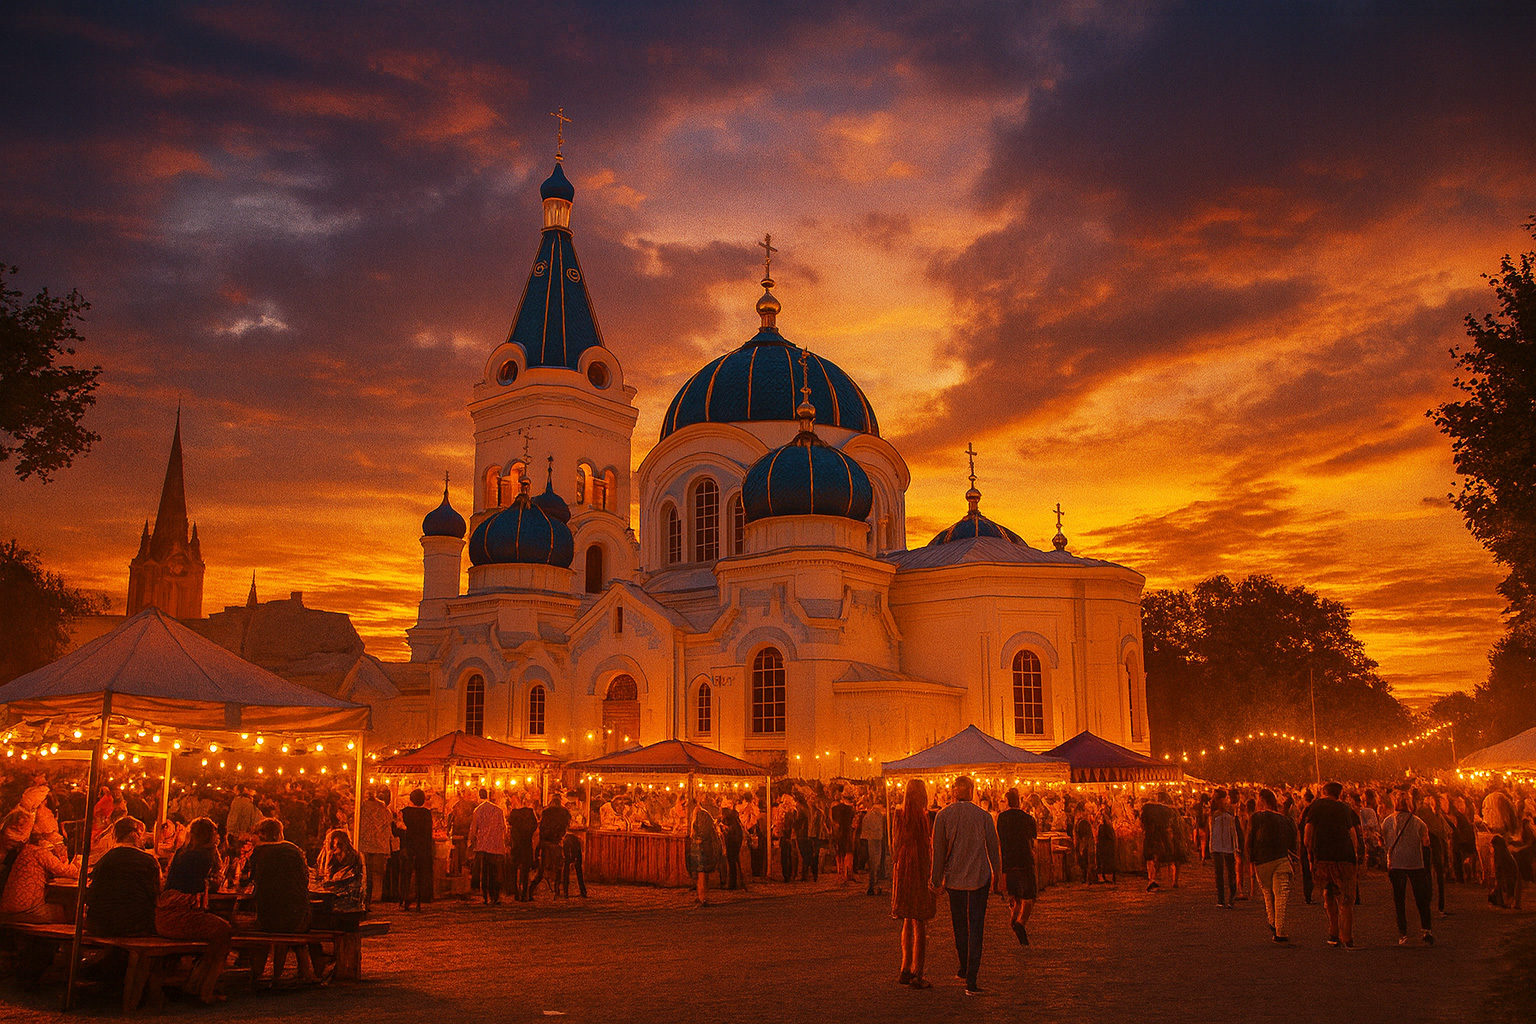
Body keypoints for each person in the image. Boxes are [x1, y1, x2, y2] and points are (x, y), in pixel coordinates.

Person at [931, 776, 1001, 996]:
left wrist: (936, 878)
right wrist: (998, 873)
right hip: (979, 878)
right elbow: (993, 846)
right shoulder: (984, 816)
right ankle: (972, 978)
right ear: (972, 791)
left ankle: (964, 967)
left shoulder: (943, 816)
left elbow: (938, 851)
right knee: (976, 926)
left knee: (959, 924)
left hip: (954, 879)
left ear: (954, 792)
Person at [156, 817, 232, 1004]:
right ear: (210, 836)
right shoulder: (203, 856)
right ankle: (204, 989)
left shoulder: (183, 852)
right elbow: (209, 886)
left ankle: (195, 981)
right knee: (224, 931)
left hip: (163, 915)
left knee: (216, 932)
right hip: (180, 915)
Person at [891, 779, 937, 989]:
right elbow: (926, 847)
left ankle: (904, 967)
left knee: (907, 920)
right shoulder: (921, 816)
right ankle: (918, 971)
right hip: (917, 866)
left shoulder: (898, 815)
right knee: (919, 921)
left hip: (902, 867)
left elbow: (895, 844)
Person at [1305, 781, 1362, 948]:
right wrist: (1356, 855)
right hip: (1344, 856)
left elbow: (1308, 832)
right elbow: (1352, 833)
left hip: (1323, 856)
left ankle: (1333, 932)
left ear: (1324, 792)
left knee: (1328, 894)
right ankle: (1347, 937)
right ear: (1340, 794)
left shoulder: (1316, 807)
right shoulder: (1345, 808)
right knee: (1346, 898)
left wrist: (1310, 854)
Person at [0, 810, 79, 924]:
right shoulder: (38, 851)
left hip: (6, 909)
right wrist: (77, 864)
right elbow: (66, 871)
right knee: (68, 911)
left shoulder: (24, 851)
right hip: (27, 911)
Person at [86, 817, 160, 937]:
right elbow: (155, 893)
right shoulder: (148, 861)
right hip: (135, 924)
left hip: (102, 924)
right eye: (141, 834)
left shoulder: (104, 860)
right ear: (134, 835)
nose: (143, 839)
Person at [1382, 790, 1434, 946]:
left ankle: (1402, 933)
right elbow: (1426, 842)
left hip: (1396, 862)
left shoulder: (1387, 821)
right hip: (1415, 862)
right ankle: (1426, 929)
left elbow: (1383, 841)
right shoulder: (1418, 822)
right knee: (1421, 898)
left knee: (1399, 899)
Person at [1248, 788, 1298, 943]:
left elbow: (1249, 840)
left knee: (1268, 895)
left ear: (1262, 801)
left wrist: (1250, 859)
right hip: (1281, 859)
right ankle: (1280, 930)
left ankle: (1273, 923)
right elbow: (1293, 842)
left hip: (1262, 861)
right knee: (1281, 896)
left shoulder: (1256, 818)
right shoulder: (1286, 820)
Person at [996, 788, 1038, 945]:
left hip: (1009, 861)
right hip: (1024, 860)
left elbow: (999, 838)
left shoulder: (1001, 818)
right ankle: (1020, 922)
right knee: (1029, 897)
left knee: (1014, 896)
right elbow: (1033, 836)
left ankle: (1013, 919)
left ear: (1006, 801)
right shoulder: (1027, 817)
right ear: (1019, 800)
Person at [316, 828, 367, 924]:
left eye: (339, 844)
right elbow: (321, 878)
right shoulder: (327, 858)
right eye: (333, 844)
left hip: (348, 902)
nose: (336, 847)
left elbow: (355, 882)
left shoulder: (355, 858)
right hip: (332, 900)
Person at [395, 789, 434, 910]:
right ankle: (418, 901)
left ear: (411, 799)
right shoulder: (427, 813)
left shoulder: (404, 812)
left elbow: (398, 830)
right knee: (420, 875)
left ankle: (405, 898)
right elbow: (429, 832)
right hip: (422, 848)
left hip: (407, 847)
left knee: (406, 874)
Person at [528, 793, 572, 900]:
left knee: (542, 869)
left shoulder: (546, 812)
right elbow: (567, 825)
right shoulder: (564, 813)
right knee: (558, 868)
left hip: (546, 843)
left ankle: (530, 890)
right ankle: (557, 891)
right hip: (557, 843)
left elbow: (542, 827)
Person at [468, 788, 507, 904]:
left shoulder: (478, 810)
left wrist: (471, 842)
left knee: (484, 872)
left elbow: (473, 828)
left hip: (483, 846)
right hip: (496, 846)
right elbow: (504, 828)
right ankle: (494, 896)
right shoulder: (498, 810)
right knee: (495, 872)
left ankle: (485, 896)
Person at [357, 787, 394, 909]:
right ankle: (371, 899)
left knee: (365, 871)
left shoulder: (361, 807)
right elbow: (388, 822)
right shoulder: (383, 809)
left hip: (364, 842)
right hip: (378, 844)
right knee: (375, 873)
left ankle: (365, 898)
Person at [686, 799, 721, 906]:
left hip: (703, 849)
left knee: (702, 874)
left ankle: (702, 897)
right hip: (702, 848)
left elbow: (702, 834)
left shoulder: (702, 815)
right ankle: (701, 895)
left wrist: (697, 839)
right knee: (701, 874)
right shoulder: (699, 815)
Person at [506, 792, 539, 902]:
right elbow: (535, 825)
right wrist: (528, 834)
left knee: (514, 869)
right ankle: (524, 893)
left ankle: (516, 892)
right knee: (525, 870)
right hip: (526, 844)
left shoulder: (514, 814)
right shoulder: (530, 813)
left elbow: (510, 826)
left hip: (516, 844)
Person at [1140, 791, 1177, 891]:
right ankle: (1163, 880)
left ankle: (1152, 879)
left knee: (1150, 859)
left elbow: (1142, 824)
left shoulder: (1148, 810)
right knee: (1161, 859)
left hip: (1151, 836)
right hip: (1161, 837)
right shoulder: (1166, 811)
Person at [1209, 789, 1238, 908]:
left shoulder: (1230, 810)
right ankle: (1221, 898)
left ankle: (1232, 897)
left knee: (1230, 872)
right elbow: (1211, 830)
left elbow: (1234, 829)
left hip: (1228, 845)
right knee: (1219, 873)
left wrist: (1235, 845)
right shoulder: (1213, 813)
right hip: (1217, 845)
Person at [860, 798, 887, 896]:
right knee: (875, 863)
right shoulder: (877, 816)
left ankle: (872, 884)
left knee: (873, 863)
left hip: (870, 840)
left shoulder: (868, 816)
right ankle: (873, 884)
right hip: (875, 841)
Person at [720, 799, 745, 891]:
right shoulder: (735, 817)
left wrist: (724, 828)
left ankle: (732, 883)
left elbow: (729, 830)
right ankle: (736, 881)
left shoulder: (728, 818)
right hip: (736, 840)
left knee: (731, 861)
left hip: (732, 841)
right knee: (734, 861)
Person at [831, 791, 855, 884]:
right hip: (847, 832)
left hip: (838, 833)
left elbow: (833, 821)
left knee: (839, 853)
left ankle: (840, 872)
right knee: (847, 853)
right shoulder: (850, 810)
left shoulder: (834, 809)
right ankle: (846, 873)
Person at [1096, 808, 1118, 885]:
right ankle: (1111, 877)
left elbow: (1100, 837)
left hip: (1104, 846)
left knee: (1103, 862)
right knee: (1109, 862)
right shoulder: (1109, 826)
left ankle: (1105, 877)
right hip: (1109, 846)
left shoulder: (1102, 827)